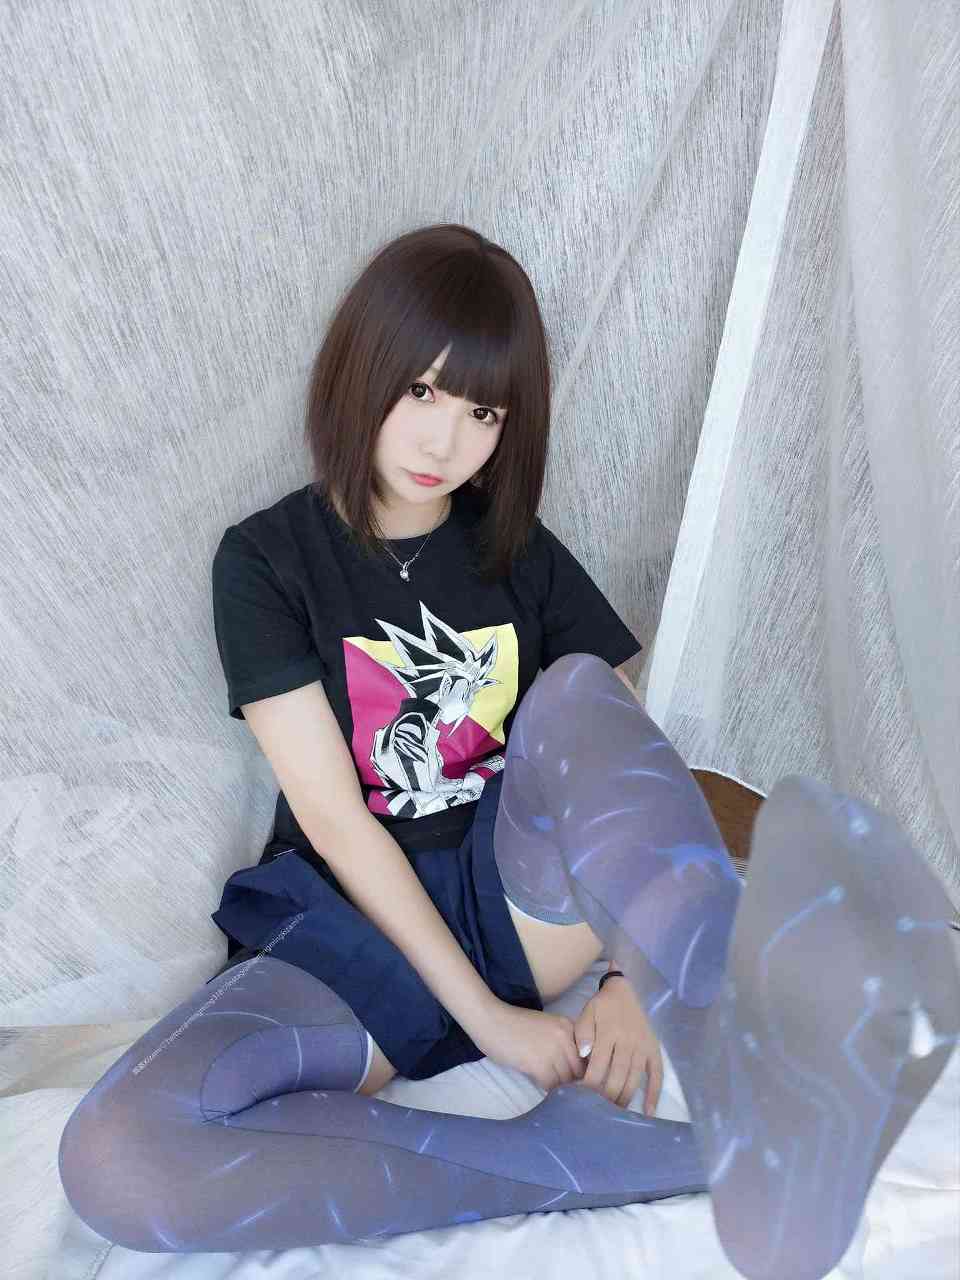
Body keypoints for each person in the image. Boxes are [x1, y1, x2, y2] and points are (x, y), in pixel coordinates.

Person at [58, 224, 960, 1280]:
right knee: (116, 1155)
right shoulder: (266, 560)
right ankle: (567, 1160)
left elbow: (619, 759)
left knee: (581, 689)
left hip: (521, 901)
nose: (445, 440)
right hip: (354, 928)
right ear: (362, 370)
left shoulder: (515, 548)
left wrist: (628, 974)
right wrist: (486, 1021)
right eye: (422, 391)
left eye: (483, 412)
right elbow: (336, 819)